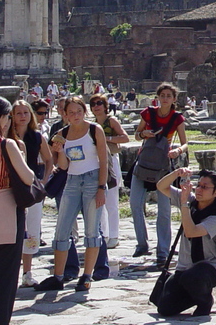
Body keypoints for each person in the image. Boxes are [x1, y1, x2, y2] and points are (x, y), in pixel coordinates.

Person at [36, 95, 109, 292]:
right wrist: (58, 151)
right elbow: (64, 166)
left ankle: (86, 276)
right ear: (65, 114)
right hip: (72, 181)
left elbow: (103, 161)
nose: (75, 115)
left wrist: (102, 187)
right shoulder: (62, 133)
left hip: (93, 180)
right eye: (71, 112)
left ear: (84, 112)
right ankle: (58, 276)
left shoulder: (95, 130)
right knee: (62, 229)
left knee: (92, 230)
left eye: (79, 111)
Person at [0, 94, 35, 325]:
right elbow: (29, 178)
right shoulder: (6, 144)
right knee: (4, 278)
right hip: (6, 212)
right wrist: (21, 156)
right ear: (0, 118)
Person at [154, 168, 216, 317]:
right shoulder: (190, 200)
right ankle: (194, 295)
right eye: (198, 185)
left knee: (193, 278)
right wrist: (176, 173)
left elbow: (191, 232)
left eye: (205, 187)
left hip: (208, 268)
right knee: (165, 308)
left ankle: (205, 301)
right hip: (184, 268)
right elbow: (161, 186)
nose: (199, 189)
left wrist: (184, 205)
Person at [131, 83, 188, 262]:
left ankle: (163, 251)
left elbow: (186, 143)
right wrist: (144, 134)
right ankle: (142, 244)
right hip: (144, 161)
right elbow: (136, 134)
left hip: (163, 164)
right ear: (158, 97)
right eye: (162, 95)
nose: (165, 98)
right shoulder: (148, 113)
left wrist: (178, 151)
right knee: (134, 203)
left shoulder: (177, 118)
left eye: (168, 96)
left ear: (174, 99)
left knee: (164, 210)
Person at [10, 99, 53, 287]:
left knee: (32, 229)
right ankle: (11, 271)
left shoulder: (36, 136)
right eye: (18, 113)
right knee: (11, 230)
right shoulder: (6, 136)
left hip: (31, 187)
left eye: (25, 113)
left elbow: (49, 159)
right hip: (9, 187)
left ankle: (27, 272)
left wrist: (43, 181)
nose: (22, 116)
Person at [91, 93, 129, 248]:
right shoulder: (92, 124)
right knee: (99, 200)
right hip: (97, 162)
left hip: (111, 160)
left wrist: (106, 139)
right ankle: (104, 233)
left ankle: (114, 235)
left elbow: (125, 137)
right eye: (93, 104)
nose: (96, 106)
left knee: (112, 200)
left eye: (99, 103)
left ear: (105, 105)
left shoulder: (111, 121)